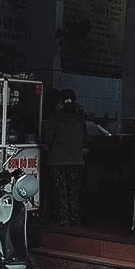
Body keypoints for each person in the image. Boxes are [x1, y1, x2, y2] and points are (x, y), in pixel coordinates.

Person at [43, 89, 87, 228]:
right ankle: (75, 218)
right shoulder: (80, 119)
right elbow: (85, 138)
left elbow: (47, 137)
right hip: (76, 160)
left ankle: (64, 220)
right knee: (73, 192)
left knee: (60, 191)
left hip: (57, 160)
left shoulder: (55, 118)